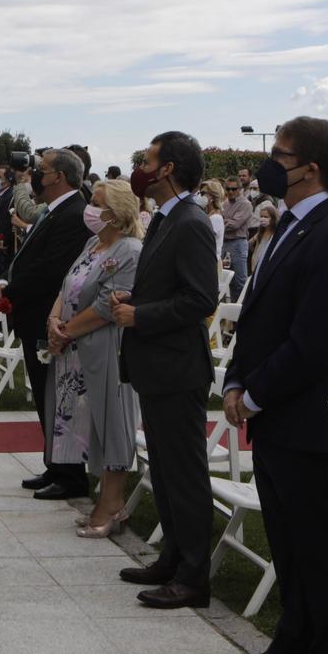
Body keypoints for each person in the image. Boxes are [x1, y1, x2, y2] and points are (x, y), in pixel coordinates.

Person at [221, 117, 328, 654]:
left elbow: (312, 341)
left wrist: (252, 396)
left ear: (310, 167)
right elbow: (258, 316)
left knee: (320, 547)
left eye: (278, 155)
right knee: (286, 538)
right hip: (277, 412)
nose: (268, 163)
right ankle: (294, 642)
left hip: (306, 415)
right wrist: (235, 378)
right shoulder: (288, 226)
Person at [114, 131, 220, 609]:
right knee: (166, 470)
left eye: (149, 159)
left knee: (185, 474)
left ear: (169, 168)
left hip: (178, 367)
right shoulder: (164, 218)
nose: (142, 166)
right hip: (157, 364)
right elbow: (166, 286)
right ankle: (173, 558)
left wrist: (143, 316)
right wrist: (134, 301)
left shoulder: (191, 222)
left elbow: (201, 299)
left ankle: (195, 576)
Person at [46, 177, 144, 536]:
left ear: (116, 214)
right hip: (74, 348)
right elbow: (67, 284)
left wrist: (65, 331)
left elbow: (107, 304)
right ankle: (103, 498)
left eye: (98, 204)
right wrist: (54, 320)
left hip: (106, 349)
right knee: (89, 423)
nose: (90, 210)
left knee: (111, 422)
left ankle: (112, 504)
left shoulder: (130, 250)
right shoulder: (92, 242)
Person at [0, 148, 93, 496]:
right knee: (45, 395)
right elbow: (28, 259)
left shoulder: (74, 214)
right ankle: (54, 465)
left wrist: (14, 290)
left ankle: (70, 475)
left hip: (48, 319)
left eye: (43, 169)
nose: (37, 175)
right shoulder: (55, 211)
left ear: (60, 177)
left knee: (56, 397)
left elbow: (53, 271)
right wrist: (6, 281)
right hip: (34, 316)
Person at [220, 176, 253, 300]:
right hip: (225, 243)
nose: (230, 192)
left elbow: (235, 224)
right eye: (227, 189)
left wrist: (223, 221)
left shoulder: (245, 204)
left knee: (239, 281)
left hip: (238, 243)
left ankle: (240, 311)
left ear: (240, 189)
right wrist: (226, 221)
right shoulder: (225, 204)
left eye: (233, 189)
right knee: (223, 279)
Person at [246, 201, 279, 277]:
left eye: (266, 217)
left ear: (273, 218)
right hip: (255, 267)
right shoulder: (260, 233)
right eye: (261, 216)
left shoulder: (276, 234)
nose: (262, 219)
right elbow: (255, 251)